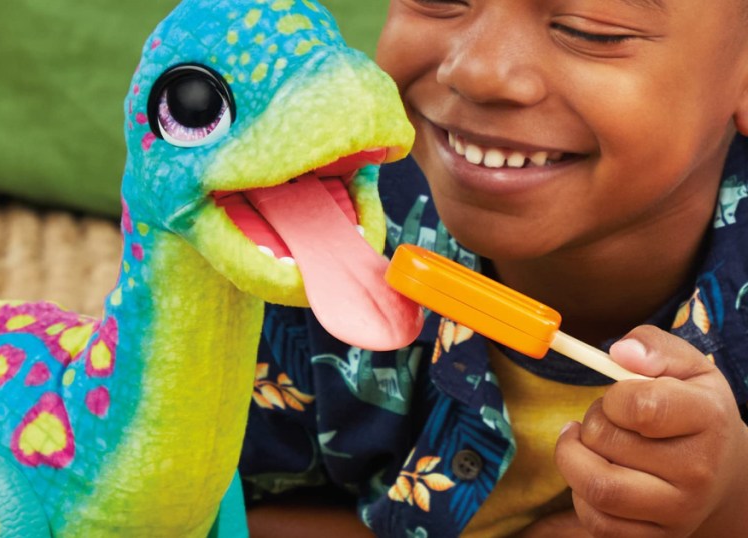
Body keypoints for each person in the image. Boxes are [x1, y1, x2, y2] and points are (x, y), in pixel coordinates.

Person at [239, 0, 748, 536]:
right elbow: (213, 508)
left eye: (589, 30)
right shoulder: (307, 239)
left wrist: (730, 504)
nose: (478, 71)